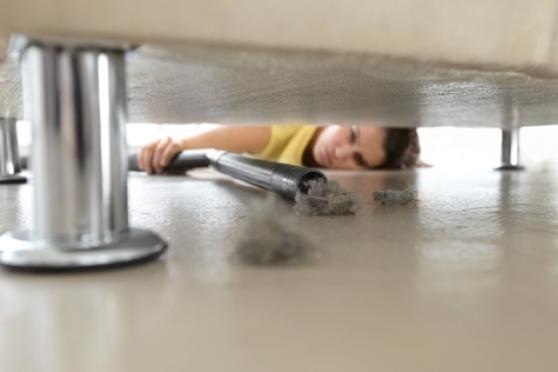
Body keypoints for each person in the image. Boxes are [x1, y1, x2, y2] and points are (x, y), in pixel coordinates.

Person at [138, 124, 420, 174]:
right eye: (351, 134)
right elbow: (243, 136)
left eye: (358, 159)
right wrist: (182, 146)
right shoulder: (293, 126)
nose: (341, 153)